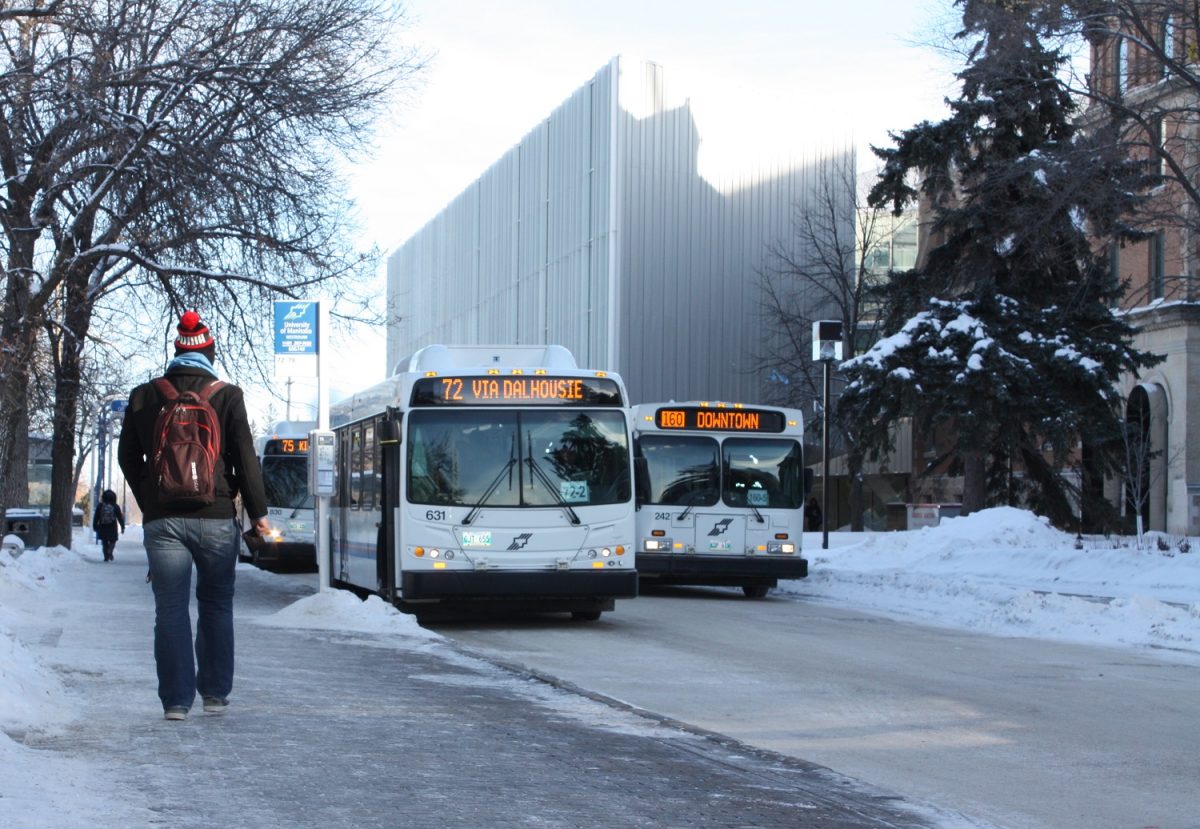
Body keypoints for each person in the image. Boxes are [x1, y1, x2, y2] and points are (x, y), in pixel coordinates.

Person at [118, 310, 270, 722]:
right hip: (217, 516)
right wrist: (258, 515)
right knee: (216, 605)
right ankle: (216, 694)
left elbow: (127, 457)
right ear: (209, 350)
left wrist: (151, 498)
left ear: (176, 352)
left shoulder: (144, 395)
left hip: (163, 521)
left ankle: (176, 703)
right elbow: (246, 460)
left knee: (169, 610)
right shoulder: (227, 394)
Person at [92, 489, 125, 562]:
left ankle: (106, 557)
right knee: (113, 541)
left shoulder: (100, 506)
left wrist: (95, 526)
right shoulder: (115, 506)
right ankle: (110, 550)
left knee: (104, 542)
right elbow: (120, 518)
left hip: (102, 526)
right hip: (112, 527)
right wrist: (122, 527)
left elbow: (96, 517)